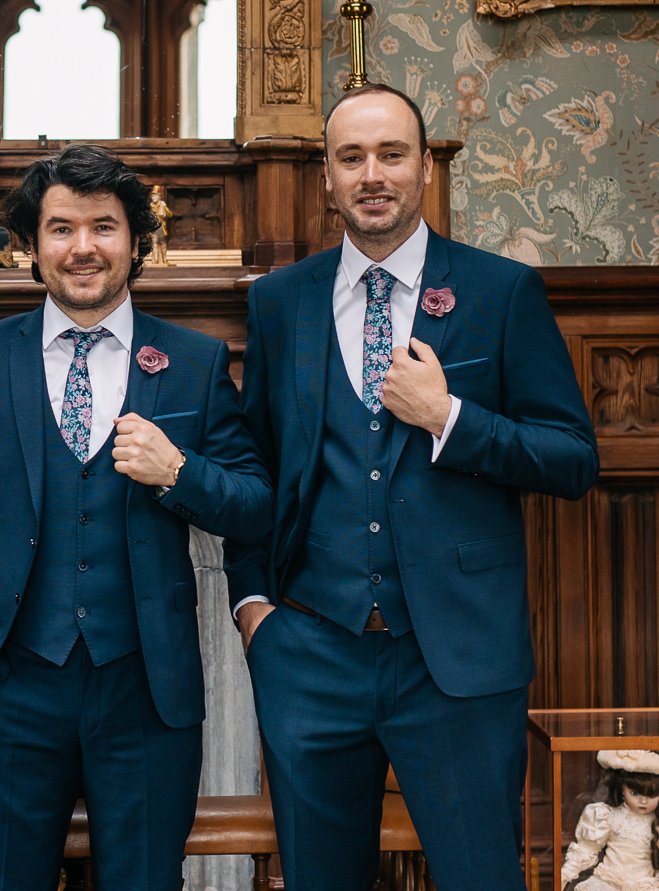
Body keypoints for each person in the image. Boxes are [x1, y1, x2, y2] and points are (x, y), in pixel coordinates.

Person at [227, 83, 598, 891]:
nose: (372, 174)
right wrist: (254, 609)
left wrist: (451, 419)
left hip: (457, 662)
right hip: (309, 653)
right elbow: (255, 462)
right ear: (326, 176)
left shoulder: (501, 292)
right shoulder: (280, 302)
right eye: (351, 157)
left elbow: (572, 458)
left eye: (391, 154)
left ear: (425, 166)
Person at [0, 144, 272, 891]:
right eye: (61, 228)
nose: (83, 248)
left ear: (135, 241)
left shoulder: (193, 363)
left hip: (147, 690)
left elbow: (257, 506)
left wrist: (179, 473)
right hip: (9, 683)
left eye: (104, 227)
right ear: (32, 246)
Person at [560, 751, 659, 891]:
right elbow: (585, 850)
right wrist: (565, 874)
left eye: (651, 795)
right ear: (623, 789)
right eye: (634, 793)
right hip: (606, 885)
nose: (643, 801)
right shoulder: (607, 816)